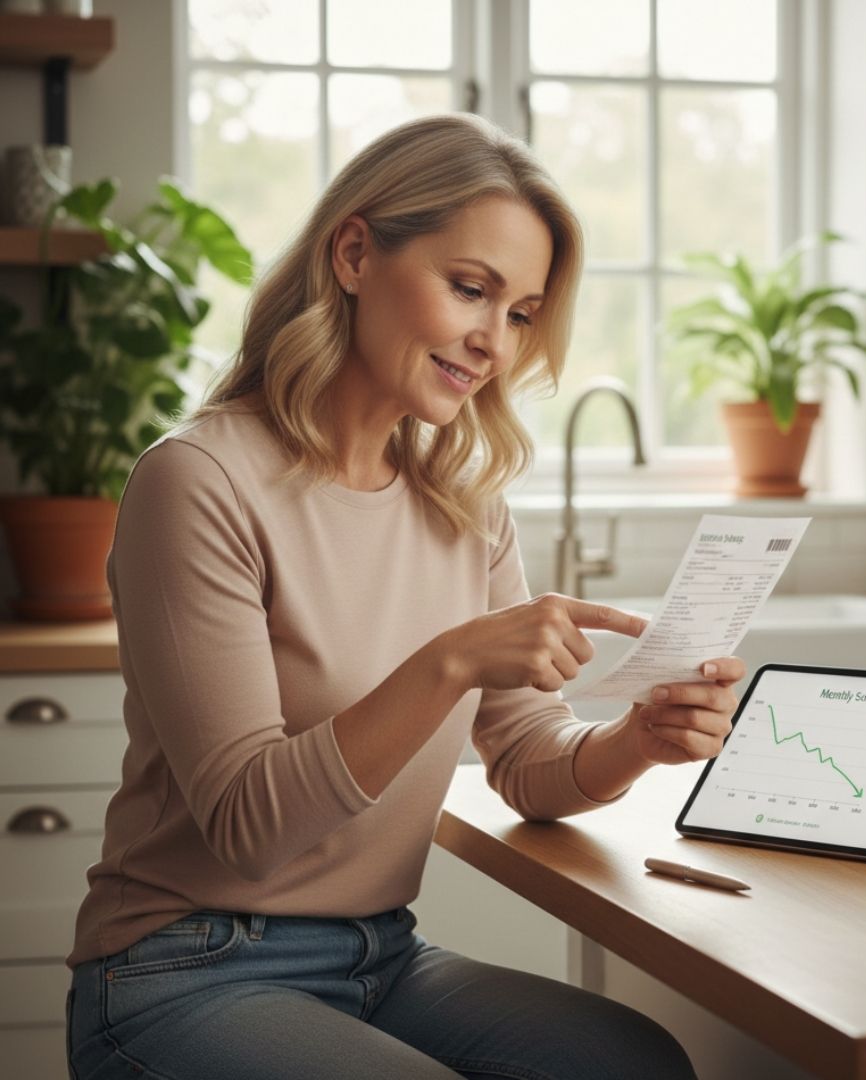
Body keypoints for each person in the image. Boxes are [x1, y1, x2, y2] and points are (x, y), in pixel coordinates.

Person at [65, 113, 744, 1080]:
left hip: (380, 955)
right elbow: (249, 826)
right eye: (470, 289)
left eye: (518, 313)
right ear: (353, 253)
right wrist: (453, 659)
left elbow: (524, 757)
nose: (493, 342)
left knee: (634, 1062)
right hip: (182, 968)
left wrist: (637, 738)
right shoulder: (199, 480)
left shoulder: (463, 506)